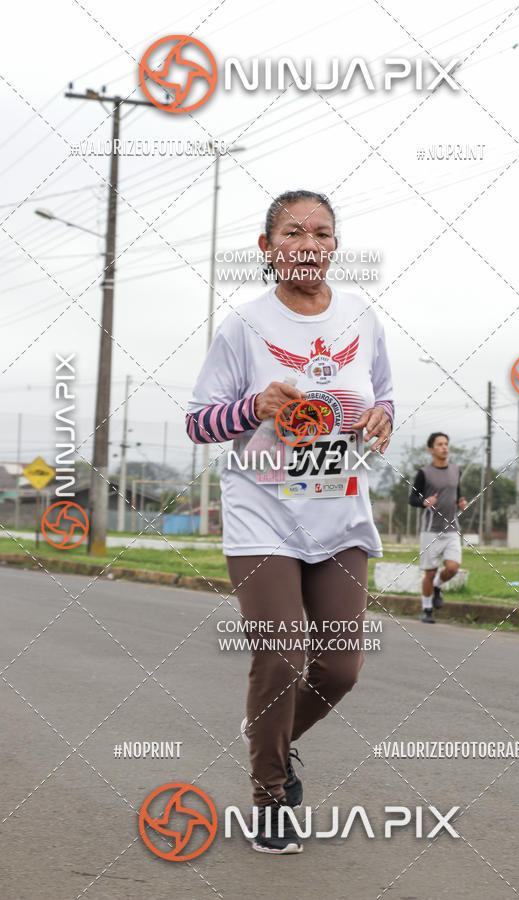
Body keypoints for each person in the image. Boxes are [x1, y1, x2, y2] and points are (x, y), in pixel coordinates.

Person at [185, 190, 394, 853]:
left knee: (339, 671)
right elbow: (199, 421)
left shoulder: (363, 316)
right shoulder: (243, 326)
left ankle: (264, 737)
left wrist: (383, 417)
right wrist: (252, 407)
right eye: (293, 231)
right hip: (262, 513)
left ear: (335, 247)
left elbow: (381, 395)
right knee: (282, 654)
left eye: (322, 232)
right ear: (268, 248)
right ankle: (270, 794)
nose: (309, 242)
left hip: (340, 511)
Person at [409, 432, 467, 624]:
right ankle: (426, 609)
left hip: (451, 529)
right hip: (430, 530)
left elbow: (457, 492)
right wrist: (424, 501)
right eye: (440, 444)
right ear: (431, 450)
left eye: (446, 444)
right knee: (430, 571)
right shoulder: (424, 473)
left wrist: (461, 502)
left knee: (452, 568)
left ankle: (436, 586)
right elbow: (412, 500)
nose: (445, 447)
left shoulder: (456, 470)